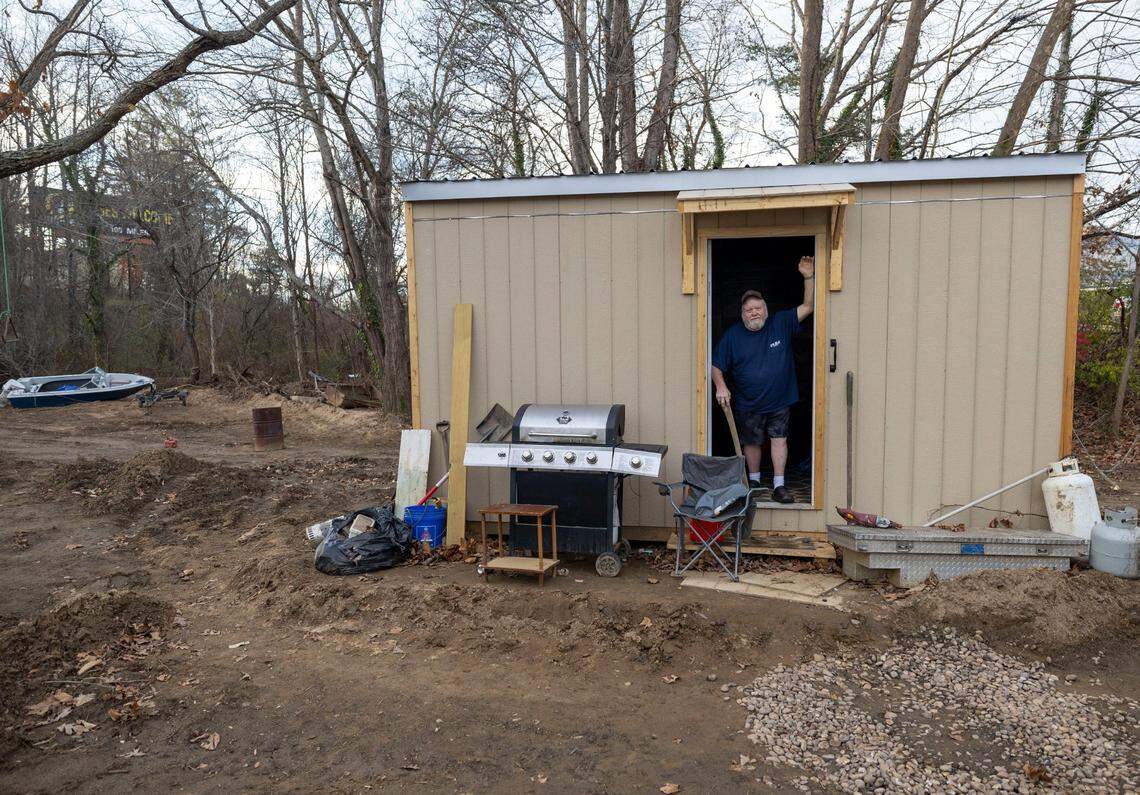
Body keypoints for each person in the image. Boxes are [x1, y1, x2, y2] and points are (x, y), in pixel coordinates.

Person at [711, 255, 815, 504]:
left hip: (780, 399)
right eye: (749, 309)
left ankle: (779, 486)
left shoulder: (780, 323)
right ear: (743, 314)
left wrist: (808, 277)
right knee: (752, 442)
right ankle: (755, 482)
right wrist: (721, 385)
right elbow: (716, 366)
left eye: (758, 308)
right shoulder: (733, 336)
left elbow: (809, 306)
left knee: (779, 440)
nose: (754, 312)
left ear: (766, 310)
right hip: (749, 402)